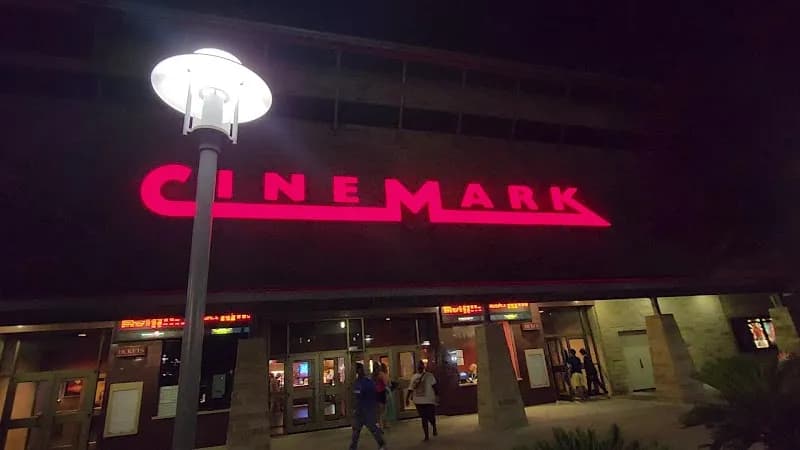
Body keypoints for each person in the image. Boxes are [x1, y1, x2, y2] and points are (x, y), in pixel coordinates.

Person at [349, 363, 387, 450]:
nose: (354, 372)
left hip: (367, 410)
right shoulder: (357, 382)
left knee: (373, 428)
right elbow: (355, 397)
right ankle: (353, 447)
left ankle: (382, 444)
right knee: (356, 430)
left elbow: (372, 395)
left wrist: (374, 408)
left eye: (355, 370)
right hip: (360, 411)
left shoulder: (366, 383)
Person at [405, 360, 438, 441]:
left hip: (429, 400)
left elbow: (435, 386)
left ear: (423, 367)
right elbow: (410, 388)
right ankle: (426, 435)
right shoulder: (414, 377)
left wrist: (437, 396)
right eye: (418, 366)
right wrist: (407, 398)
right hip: (419, 401)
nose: (419, 367)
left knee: (431, 416)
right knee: (424, 418)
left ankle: (433, 426)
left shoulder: (429, 375)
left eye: (421, 365)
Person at [373, 362, 389, 429]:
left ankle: (379, 425)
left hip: (375, 393)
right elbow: (385, 383)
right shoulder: (381, 374)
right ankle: (383, 424)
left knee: (378, 411)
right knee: (383, 410)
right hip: (381, 392)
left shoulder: (372, 375)